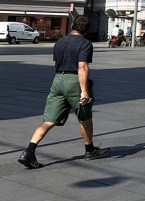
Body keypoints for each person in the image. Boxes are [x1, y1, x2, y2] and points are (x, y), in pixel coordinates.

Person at [18, 15, 111, 169]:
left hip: (58, 80)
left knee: (49, 120)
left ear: (73, 25)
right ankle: (90, 150)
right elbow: (82, 66)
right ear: (87, 29)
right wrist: (84, 91)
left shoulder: (60, 42)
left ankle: (29, 152)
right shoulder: (85, 43)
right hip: (74, 81)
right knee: (85, 118)